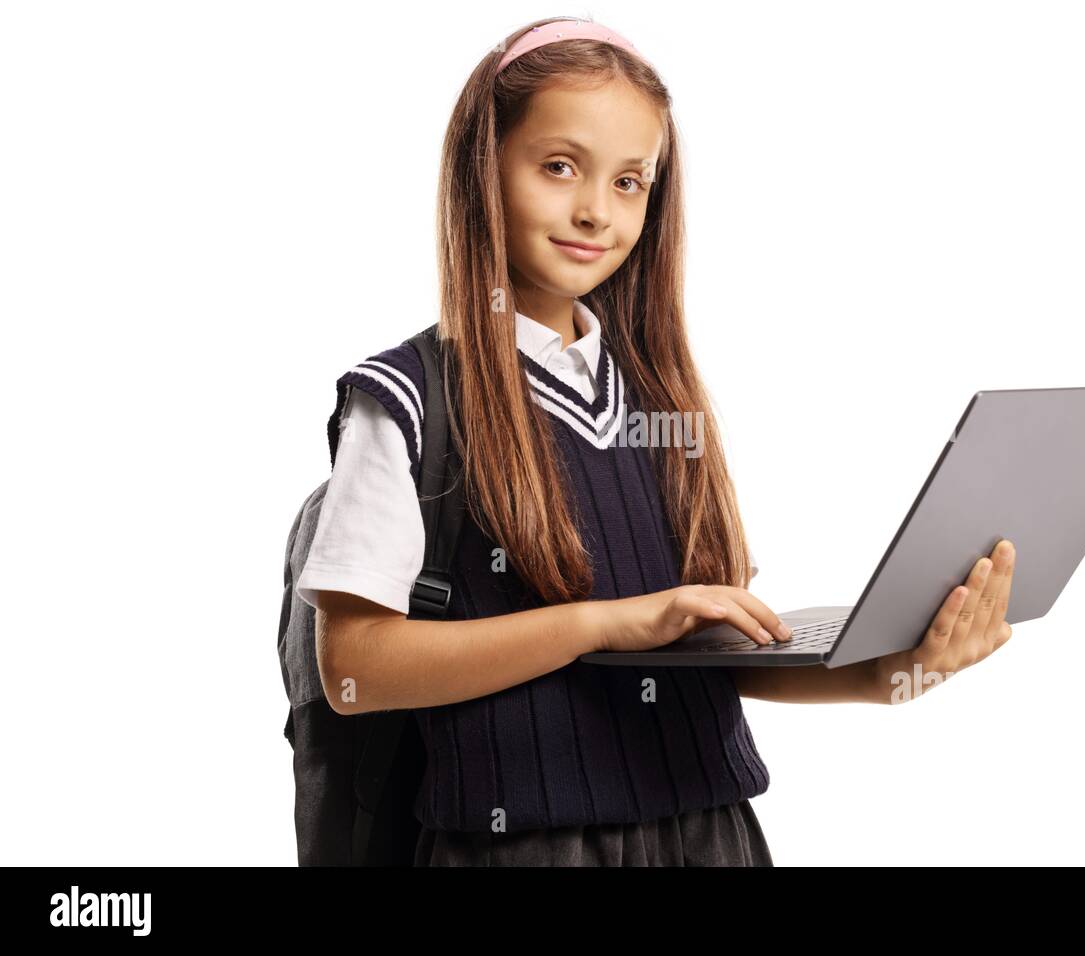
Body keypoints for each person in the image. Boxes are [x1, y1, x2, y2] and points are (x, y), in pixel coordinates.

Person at [295, 16, 1017, 867]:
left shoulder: (661, 400)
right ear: (481, 171)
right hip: (520, 848)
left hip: (713, 838)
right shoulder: (408, 401)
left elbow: (697, 663)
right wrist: (601, 626)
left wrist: (897, 671)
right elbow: (355, 670)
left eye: (631, 181)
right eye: (559, 167)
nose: (596, 210)